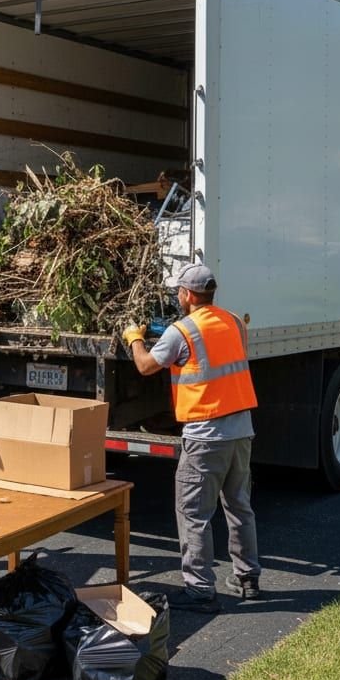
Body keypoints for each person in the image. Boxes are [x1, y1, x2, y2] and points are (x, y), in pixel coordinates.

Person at [124, 262, 261, 613]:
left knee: (193, 512)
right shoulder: (234, 322)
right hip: (241, 429)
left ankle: (200, 590)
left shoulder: (181, 331)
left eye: (178, 292)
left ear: (186, 294)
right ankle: (247, 579)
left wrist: (134, 337)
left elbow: (146, 366)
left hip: (205, 435)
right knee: (239, 506)